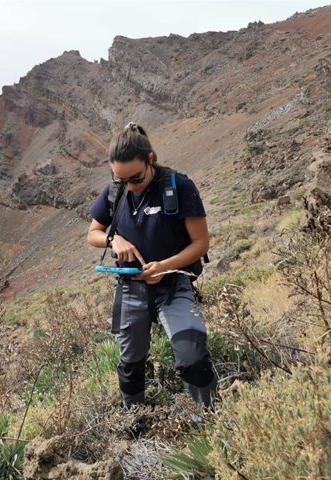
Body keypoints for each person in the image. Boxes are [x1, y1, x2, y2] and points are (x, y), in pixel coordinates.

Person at [87, 122, 217, 408]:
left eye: (135, 178)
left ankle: (208, 417)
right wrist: (114, 239)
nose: (129, 186)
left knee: (192, 355)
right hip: (130, 287)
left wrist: (164, 266)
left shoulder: (179, 186)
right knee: (131, 364)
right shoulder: (115, 191)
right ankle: (134, 418)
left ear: (151, 159)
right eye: (121, 179)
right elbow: (93, 234)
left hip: (173, 283)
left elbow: (200, 244)